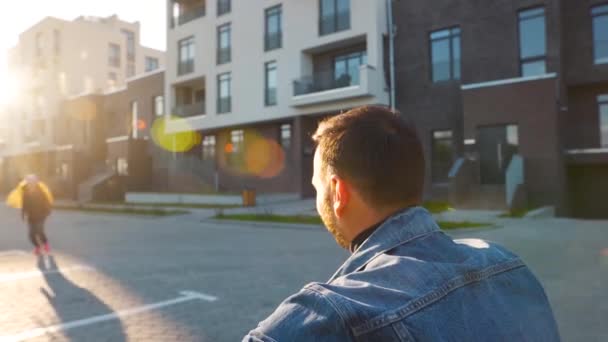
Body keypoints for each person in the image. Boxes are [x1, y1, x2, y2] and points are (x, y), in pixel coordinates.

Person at [243, 106, 560, 341]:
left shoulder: (328, 317)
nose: (317, 198)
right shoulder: (510, 268)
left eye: (317, 187)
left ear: (338, 192)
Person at [21, 175, 52, 255]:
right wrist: (23, 214)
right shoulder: (25, 192)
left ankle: (45, 245)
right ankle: (38, 246)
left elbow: (46, 202)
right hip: (31, 216)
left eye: (32, 182)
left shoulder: (41, 192)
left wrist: (47, 212)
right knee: (31, 235)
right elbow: (24, 205)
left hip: (40, 216)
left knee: (39, 231)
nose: (31, 183)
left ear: (36, 182)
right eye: (29, 182)